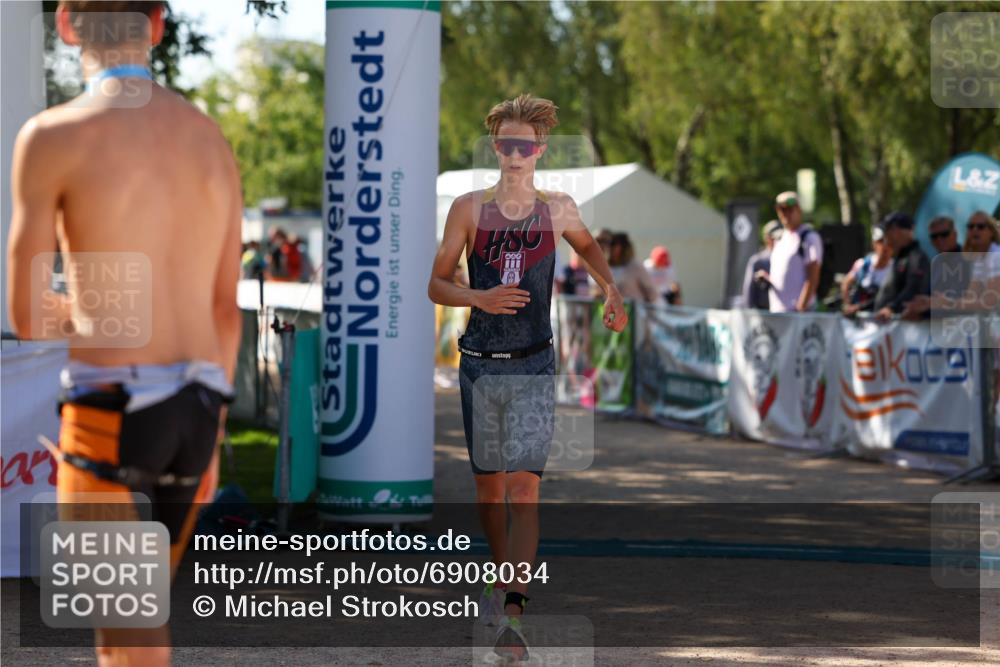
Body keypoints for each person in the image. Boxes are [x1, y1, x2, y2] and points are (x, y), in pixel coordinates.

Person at [6, 2, 241, 665]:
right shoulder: (209, 138)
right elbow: (226, 307)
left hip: (113, 410)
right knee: (142, 630)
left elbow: (25, 312)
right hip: (195, 409)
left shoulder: (54, 135)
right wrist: (215, 426)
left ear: (65, 24)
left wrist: (92, 313)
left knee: (124, 642)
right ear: (159, 24)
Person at [427, 93, 627, 661]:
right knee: (490, 493)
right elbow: (436, 285)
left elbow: (590, 250)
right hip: (480, 367)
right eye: (506, 145)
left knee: (525, 490)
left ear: (538, 150)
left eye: (526, 146)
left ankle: (514, 612)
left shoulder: (557, 210)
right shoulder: (467, 209)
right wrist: (479, 297)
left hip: (536, 362)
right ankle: (499, 576)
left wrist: (612, 290)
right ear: (497, 148)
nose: (515, 155)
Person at [760, 191, 823, 312]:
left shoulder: (809, 237)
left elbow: (813, 276)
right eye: (781, 210)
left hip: (799, 314)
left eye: (789, 210)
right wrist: (766, 279)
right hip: (778, 312)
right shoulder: (779, 239)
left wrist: (801, 307)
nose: (785, 214)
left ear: (798, 209)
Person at [874, 211, 930, 322]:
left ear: (897, 231)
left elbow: (913, 289)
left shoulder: (916, 257)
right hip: (887, 326)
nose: (886, 237)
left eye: (888, 231)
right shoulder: (900, 257)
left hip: (902, 329)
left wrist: (891, 308)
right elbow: (888, 292)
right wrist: (861, 307)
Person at [841, 226, 892, 315]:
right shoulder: (862, 264)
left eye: (888, 242)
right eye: (880, 241)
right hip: (859, 322)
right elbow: (845, 283)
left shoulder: (895, 268)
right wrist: (847, 305)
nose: (885, 246)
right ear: (874, 244)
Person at [608, 232, 662, 304]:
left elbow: (651, 293)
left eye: (614, 244)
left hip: (634, 312)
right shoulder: (607, 267)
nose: (611, 248)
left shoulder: (635, 266)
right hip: (613, 312)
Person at [740, 219, 782, 310]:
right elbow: (749, 291)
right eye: (774, 237)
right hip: (763, 313)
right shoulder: (757, 261)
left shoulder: (787, 259)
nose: (777, 240)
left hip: (783, 311)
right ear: (766, 237)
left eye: (780, 237)